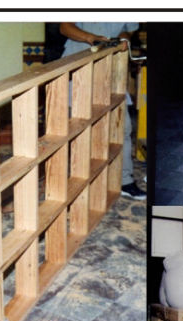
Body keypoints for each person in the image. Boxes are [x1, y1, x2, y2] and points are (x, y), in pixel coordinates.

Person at [59, 23, 146, 201]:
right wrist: (91, 38)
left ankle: (124, 181)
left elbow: (127, 29)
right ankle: (81, 183)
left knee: (122, 126)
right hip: (79, 64)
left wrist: (124, 39)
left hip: (111, 65)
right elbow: (65, 27)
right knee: (80, 129)